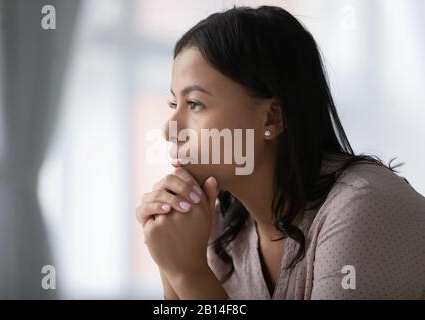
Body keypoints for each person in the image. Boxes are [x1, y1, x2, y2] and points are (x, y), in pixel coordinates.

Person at [135, 6, 425, 299]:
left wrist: (188, 272)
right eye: (174, 105)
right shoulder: (214, 226)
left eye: (195, 104)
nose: (169, 130)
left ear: (272, 117)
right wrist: (171, 261)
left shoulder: (365, 207)